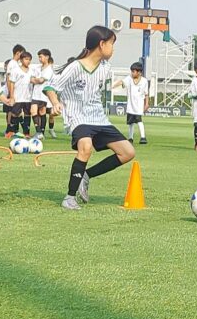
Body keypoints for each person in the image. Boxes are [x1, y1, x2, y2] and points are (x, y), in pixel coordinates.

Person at [44, 25, 135, 210]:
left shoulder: (105, 68)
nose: (113, 48)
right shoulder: (75, 67)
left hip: (98, 118)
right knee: (85, 147)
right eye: (112, 44)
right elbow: (50, 87)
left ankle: (87, 175)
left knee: (128, 153)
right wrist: (55, 103)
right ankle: (69, 197)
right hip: (78, 117)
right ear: (102, 44)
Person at [112, 62, 149, 144]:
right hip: (131, 105)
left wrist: (146, 104)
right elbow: (122, 82)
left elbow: (146, 94)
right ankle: (130, 138)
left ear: (139, 72)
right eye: (131, 71)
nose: (132, 73)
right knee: (131, 122)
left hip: (139, 105)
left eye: (133, 71)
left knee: (139, 120)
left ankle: (143, 137)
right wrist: (113, 86)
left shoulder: (144, 81)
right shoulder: (129, 79)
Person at [7, 51, 34, 137]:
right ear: (21, 60)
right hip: (17, 96)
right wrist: (11, 96)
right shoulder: (15, 70)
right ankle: (13, 131)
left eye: (29, 59)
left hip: (28, 97)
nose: (28, 61)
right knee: (15, 114)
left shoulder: (32, 71)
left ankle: (26, 132)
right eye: (26, 59)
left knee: (27, 114)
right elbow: (12, 83)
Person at [30, 49, 54, 139]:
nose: (39, 59)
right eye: (39, 57)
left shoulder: (49, 69)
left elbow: (40, 81)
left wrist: (36, 79)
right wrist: (36, 80)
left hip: (43, 94)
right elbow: (31, 79)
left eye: (41, 57)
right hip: (35, 94)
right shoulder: (37, 68)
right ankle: (38, 131)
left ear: (47, 57)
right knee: (33, 111)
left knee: (42, 112)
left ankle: (42, 133)